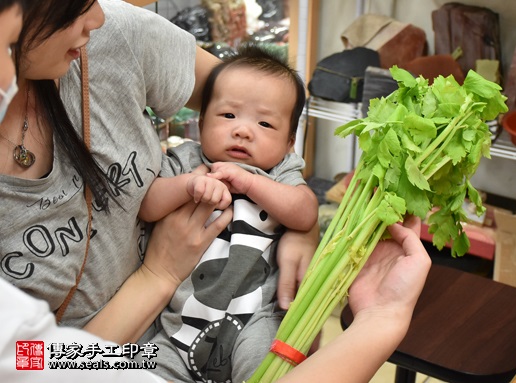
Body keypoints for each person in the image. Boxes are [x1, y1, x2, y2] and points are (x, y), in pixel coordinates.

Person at [0, 1, 431, 382]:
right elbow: (39, 363)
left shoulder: (113, 38)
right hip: (153, 341)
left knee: (261, 361)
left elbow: (267, 106)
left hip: (249, 316)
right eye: (74, 3)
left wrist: (302, 227)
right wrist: (159, 276)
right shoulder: (188, 160)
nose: (96, 16)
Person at [138, 44, 318, 383]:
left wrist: (249, 184)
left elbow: (305, 211)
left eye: (265, 123)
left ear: (290, 141)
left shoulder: (279, 172)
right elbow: (148, 206)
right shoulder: (187, 161)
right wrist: (188, 185)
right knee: (148, 370)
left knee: (265, 371)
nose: (243, 130)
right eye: (228, 116)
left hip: (256, 320)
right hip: (178, 324)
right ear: (201, 122)